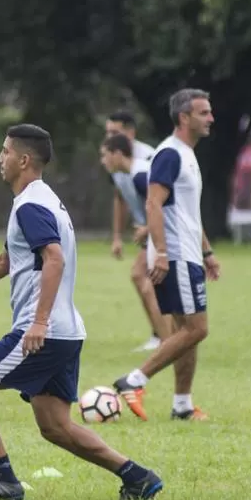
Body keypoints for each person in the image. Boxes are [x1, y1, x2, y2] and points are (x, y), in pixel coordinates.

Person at [0, 124, 163, 500]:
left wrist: (39, 321)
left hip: (44, 333)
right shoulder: (42, 200)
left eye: (5, 152)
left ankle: (4, 480)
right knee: (55, 427)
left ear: (23, 159)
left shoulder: (32, 205)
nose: (0, 159)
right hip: (66, 333)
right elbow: (5, 261)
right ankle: (137, 477)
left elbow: (54, 258)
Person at [113, 89, 221, 421]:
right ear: (183, 117)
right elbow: (152, 204)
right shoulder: (169, 154)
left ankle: (182, 406)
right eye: (203, 113)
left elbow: (187, 212)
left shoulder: (187, 154)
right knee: (196, 329)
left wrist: (207, 252)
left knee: (184, 331)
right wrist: (160, 253)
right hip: (174, 256)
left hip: (188, 254)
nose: (211, 118)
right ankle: (134, 381)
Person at [99, 133, 171, 363]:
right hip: (158, 236)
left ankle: (167, 341)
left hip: (165, 236)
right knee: (142, 277)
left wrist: (148, 229)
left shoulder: (140, 176)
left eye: (105, 155)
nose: (103, 161)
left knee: (148, 281)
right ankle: (165, 339)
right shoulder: (132, 174)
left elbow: (163, 208)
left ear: (118, 154)